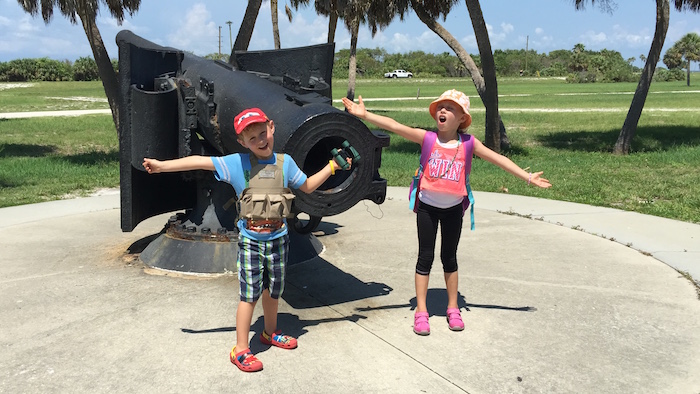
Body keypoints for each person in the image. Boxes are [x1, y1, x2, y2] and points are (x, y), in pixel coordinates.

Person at [142, 108, 351, 372]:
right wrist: (162, 166)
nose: (261, 141)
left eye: (263, 133)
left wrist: (332, 167)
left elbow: (307, 186)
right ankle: (240, 348)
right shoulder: (236, 163)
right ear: (242, 142)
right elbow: (198, 161)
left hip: (279, 239)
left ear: (272, 127)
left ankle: (269, 332)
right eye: (253, 138)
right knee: (249, 296)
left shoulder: (285, 163)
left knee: (274, 291)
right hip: (252, 241)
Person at [342, 90, 551, 336]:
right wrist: (365, 115)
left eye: (450, 108)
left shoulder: (469, 144)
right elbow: (396, 126)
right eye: (440, 107)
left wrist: (526, 177)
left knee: (449, 259)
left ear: (462, 118)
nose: (443, 111)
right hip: (427, 208)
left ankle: (453, 308)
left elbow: (498, 159)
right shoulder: (428, 138)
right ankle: (421, 311)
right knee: (425, 258)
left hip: (453, 210)